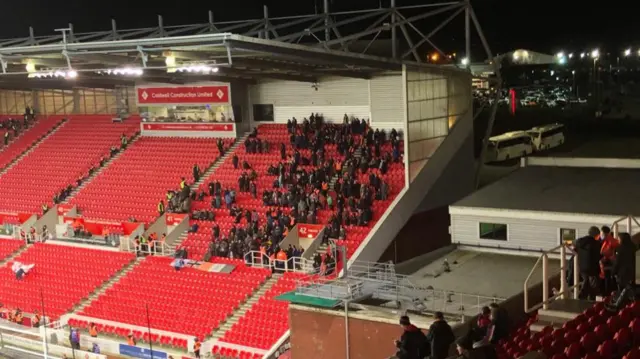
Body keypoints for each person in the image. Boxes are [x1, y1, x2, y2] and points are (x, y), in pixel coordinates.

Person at [607, 232, 638, 311]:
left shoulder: (620, 249)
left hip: (623, 274)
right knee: (627, 290)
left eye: (619, 239)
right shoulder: (634, 248)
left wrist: (613, 272)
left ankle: (618, 307)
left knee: (622, 290)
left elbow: (617, 263)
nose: (618, 240)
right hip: (632, 273)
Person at [575, 226, 601, 300]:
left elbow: (575, 246)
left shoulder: (580, 241)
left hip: (582, 267)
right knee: (593, 284)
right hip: (592, 267)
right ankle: (589, 298)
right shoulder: (596, 244)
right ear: (596, 235)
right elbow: (599, 256)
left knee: (586, 280)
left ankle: (583, 295)